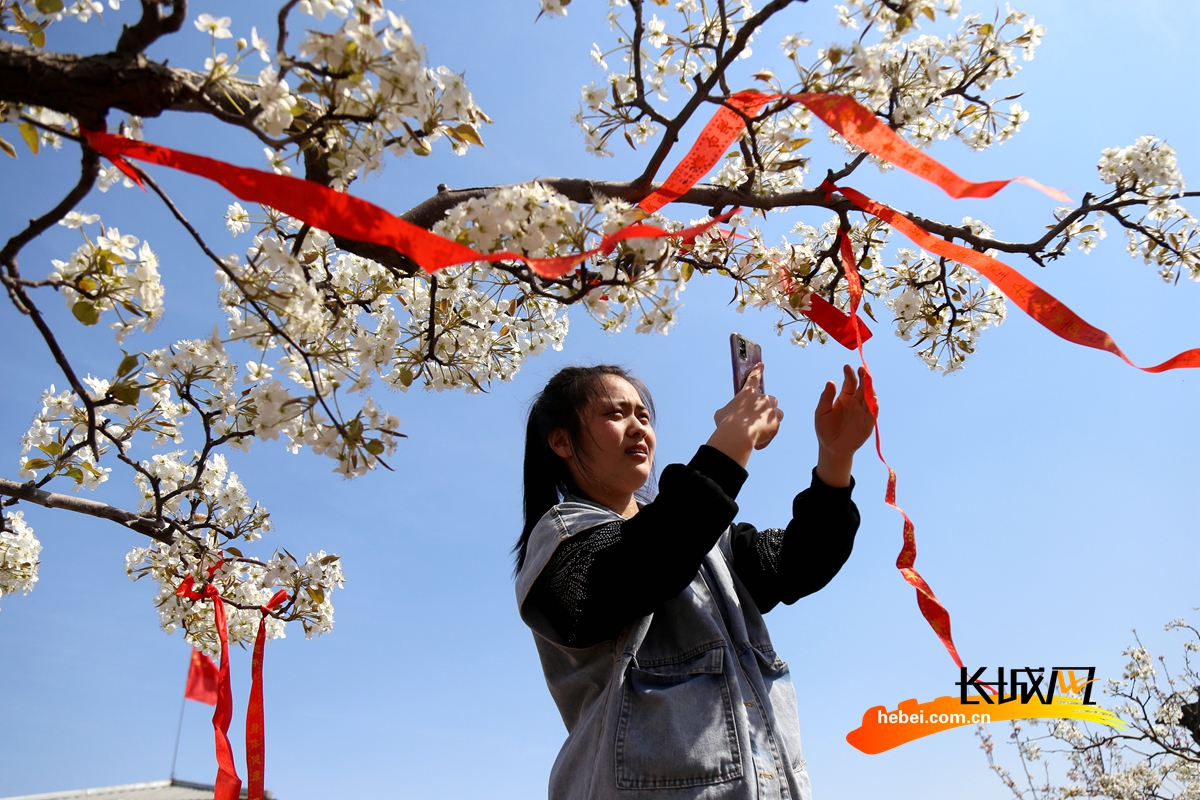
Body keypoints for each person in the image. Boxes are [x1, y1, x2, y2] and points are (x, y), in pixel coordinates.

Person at [514, 361, 875, 800]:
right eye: (616, 414)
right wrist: (731, 443)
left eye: (643, 416)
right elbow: (640, 567)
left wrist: (836, 460)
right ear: (561, 441)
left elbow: (799, 563)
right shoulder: (561, 535)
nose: (637, 428)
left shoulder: (708, 537)